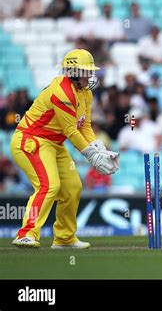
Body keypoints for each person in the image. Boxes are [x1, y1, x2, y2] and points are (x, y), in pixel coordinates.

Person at [10, 49, 119, 249]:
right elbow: (70, 130)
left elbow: (84, 126)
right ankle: (26, 233)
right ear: (73, 72)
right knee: (49, 186)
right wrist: (92, 157)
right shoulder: (61, 91)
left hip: (54, 144)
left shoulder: (85, 92)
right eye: (86, 72)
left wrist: (100, 148)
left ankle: (64, 238)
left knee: (73, 188)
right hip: (31, 140)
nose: (90, 76)